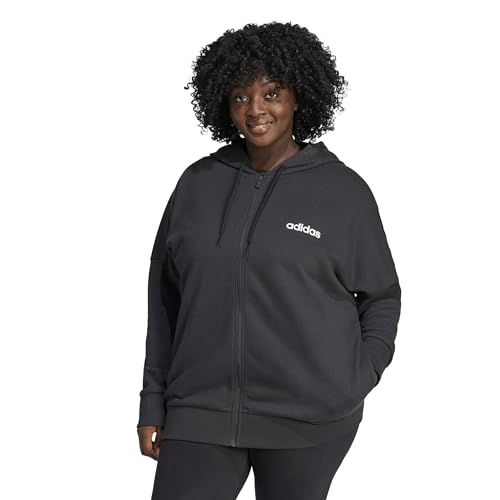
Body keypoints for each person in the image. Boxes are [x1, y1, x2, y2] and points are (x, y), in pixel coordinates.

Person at [137, 21, 402, 500]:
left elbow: (381, 294)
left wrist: (361, 373)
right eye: (240, 96)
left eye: (272, 93)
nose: (255, 110)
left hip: (308, 421)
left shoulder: (343, 192)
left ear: (298, 97)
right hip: (201, 411)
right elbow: (165, 300)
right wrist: (153, 400)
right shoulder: (197, 184)